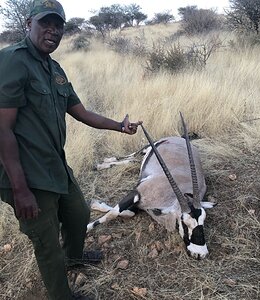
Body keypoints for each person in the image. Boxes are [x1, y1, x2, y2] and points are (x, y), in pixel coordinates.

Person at [0, 0, 142, 299]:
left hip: (54, 164)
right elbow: (2, 129)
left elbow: (81, 112)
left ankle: (74, 257)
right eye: (45, 24)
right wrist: (20, 190)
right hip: (25, 173)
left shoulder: (55, 69)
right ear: (29, 24)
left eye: (58, 26)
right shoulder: (12, 60)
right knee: (46, 239)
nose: (52, 31)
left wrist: (119, 126)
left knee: (77, 212)